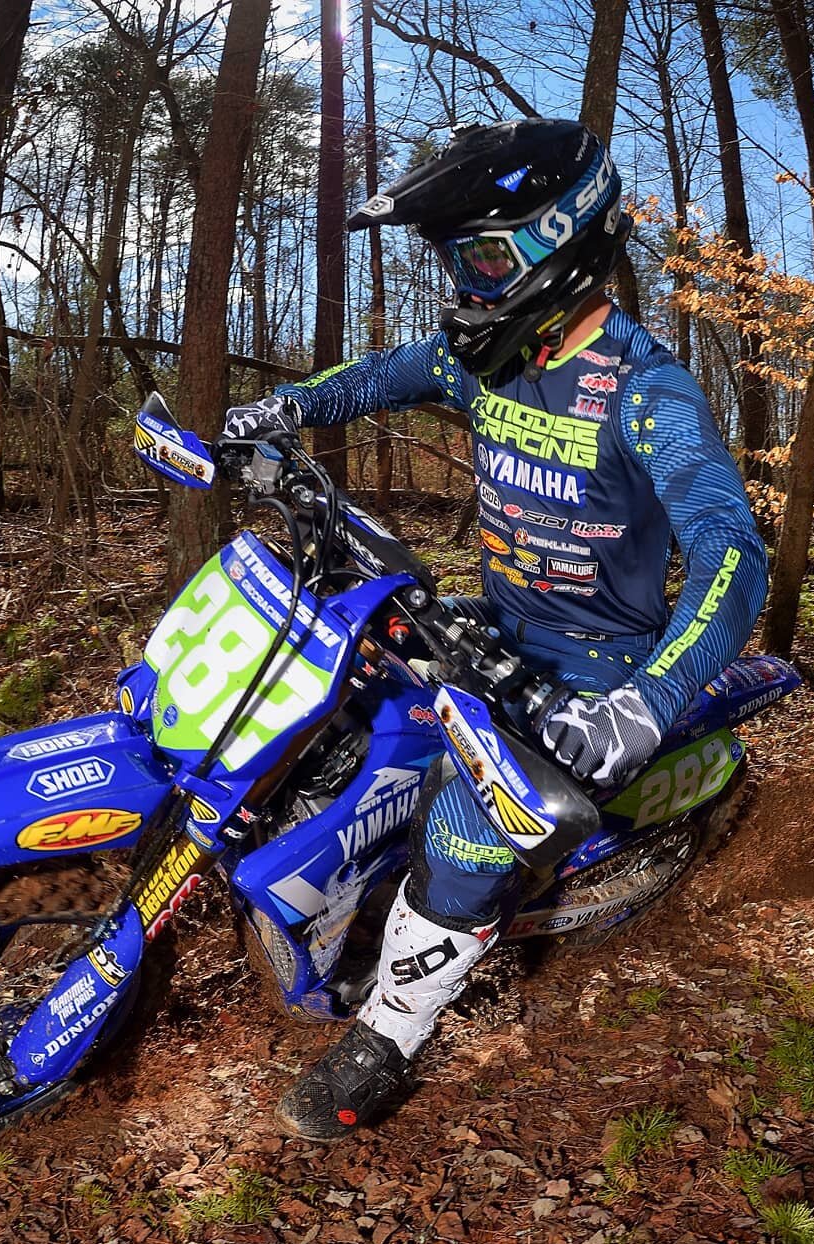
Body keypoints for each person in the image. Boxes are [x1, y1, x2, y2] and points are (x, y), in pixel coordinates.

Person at [220, 119, 768, 1142]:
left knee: (466, 837)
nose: (464, 285)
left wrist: (642, 704)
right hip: (493, 621)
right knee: (341, 682)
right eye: (453, 260)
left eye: (481, 258)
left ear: (562, 244)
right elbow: (383, 375)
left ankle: (385, 1036)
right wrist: (283, 410)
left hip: (594, 671)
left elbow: (735, 552)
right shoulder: (488, 354)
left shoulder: (649, 393)